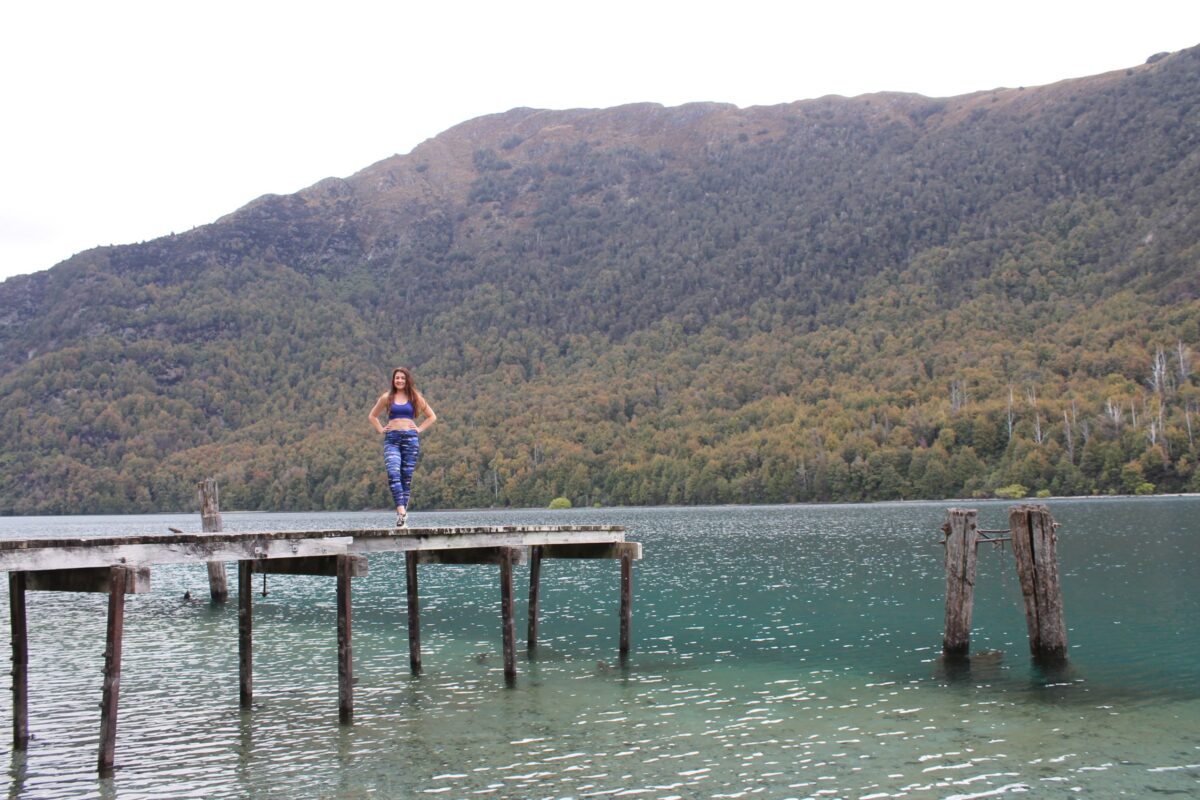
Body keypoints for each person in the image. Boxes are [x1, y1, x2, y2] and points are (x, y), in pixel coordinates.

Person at [368, 367, 437, 527]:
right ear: (393, 380)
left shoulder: (414, 397)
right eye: (397, 378)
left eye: (402, 378)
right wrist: (380, 429)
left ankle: (401, 518)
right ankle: (401, 511)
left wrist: (419, 429)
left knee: (406, 478)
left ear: (407, 380)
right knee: (393, 473)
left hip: (410, 439)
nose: (399, 380)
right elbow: (372, 416)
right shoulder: (387, 397)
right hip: (392, 439)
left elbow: (432, 416)